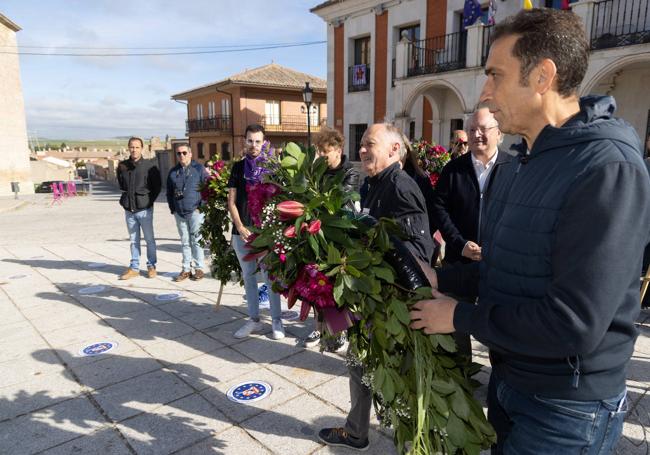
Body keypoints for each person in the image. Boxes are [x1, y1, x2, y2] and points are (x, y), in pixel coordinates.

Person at [409, 9, 650, 454]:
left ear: (542, 77)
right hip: (512, 380)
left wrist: (460, 317)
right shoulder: (527, 159)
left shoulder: (606, 168)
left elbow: (574, 323)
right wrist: (441, 279)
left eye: (495, 75)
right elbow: (507, 269)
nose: (484, 91)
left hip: (567, 408)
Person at [319, 123, 433, 451]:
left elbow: (419, 253)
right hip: (369, 302)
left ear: (394, 150)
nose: (362, 150)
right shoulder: (373, 184)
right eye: (362, 144)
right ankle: (356, 433)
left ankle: (411, 444)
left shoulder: (400, 186)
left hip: (391, 308)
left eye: (370, 144)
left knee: (394, 379)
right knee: (358, 365)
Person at [301, 127, 360, 350]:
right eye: (319, 151)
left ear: (338, 149)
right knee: (316, 284)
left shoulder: (350, 172)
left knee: (336, 288)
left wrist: (317, 201)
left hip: (339, 236)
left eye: (325, 151)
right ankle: (318, 327)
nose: (322, 155)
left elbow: (340, 202)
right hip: (318, 235)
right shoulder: (320, 170)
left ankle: (341, 331)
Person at [431, 107, 511, 266]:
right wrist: (460, 244)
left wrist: (497, 246)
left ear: (499, 132)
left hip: (500, 265)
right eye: (472, 130)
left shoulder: (513, 168)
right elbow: (438, 208)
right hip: (458, 263)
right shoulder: (452, 170)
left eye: (483, 129)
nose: (476, 135)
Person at [228, 124, 285, 340]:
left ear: (264, 142)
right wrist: (240, 226)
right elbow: (231, 202)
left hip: (266, 233)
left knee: (271, 278)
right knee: (249, 277)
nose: (254, 145)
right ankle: (253, 319)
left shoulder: (272, 167)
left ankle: (277, 321)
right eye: (250, 141)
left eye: (258, 141)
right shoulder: (237, 168)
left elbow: (280, 199)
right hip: (241, 233)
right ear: (245, 141)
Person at [117, 137, 161, 280]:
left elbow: (157, 187)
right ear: (128, 148)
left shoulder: (150, 165)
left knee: (149, 239)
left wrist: (148, 202)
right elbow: (121, 185)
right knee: (133, 240)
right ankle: (134, 267)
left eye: (137, 147)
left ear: (141, 148)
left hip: (144, 209)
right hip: (129, 210)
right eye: (131, 147)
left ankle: (151, 266)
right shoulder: (122, 166)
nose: (134, 150)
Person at [166, 144, 209, 281]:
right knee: (185, 241)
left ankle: (199, 268)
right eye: (179, 153)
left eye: (184, 153)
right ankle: (186, 269)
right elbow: (168, 192)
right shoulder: (173, 172)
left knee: (196, 240)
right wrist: (173, 209)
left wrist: (201, 206)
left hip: (195, 211)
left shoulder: (199, 169)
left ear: (190, 154)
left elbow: (208, 189)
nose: (182, 156)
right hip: (180, 213)